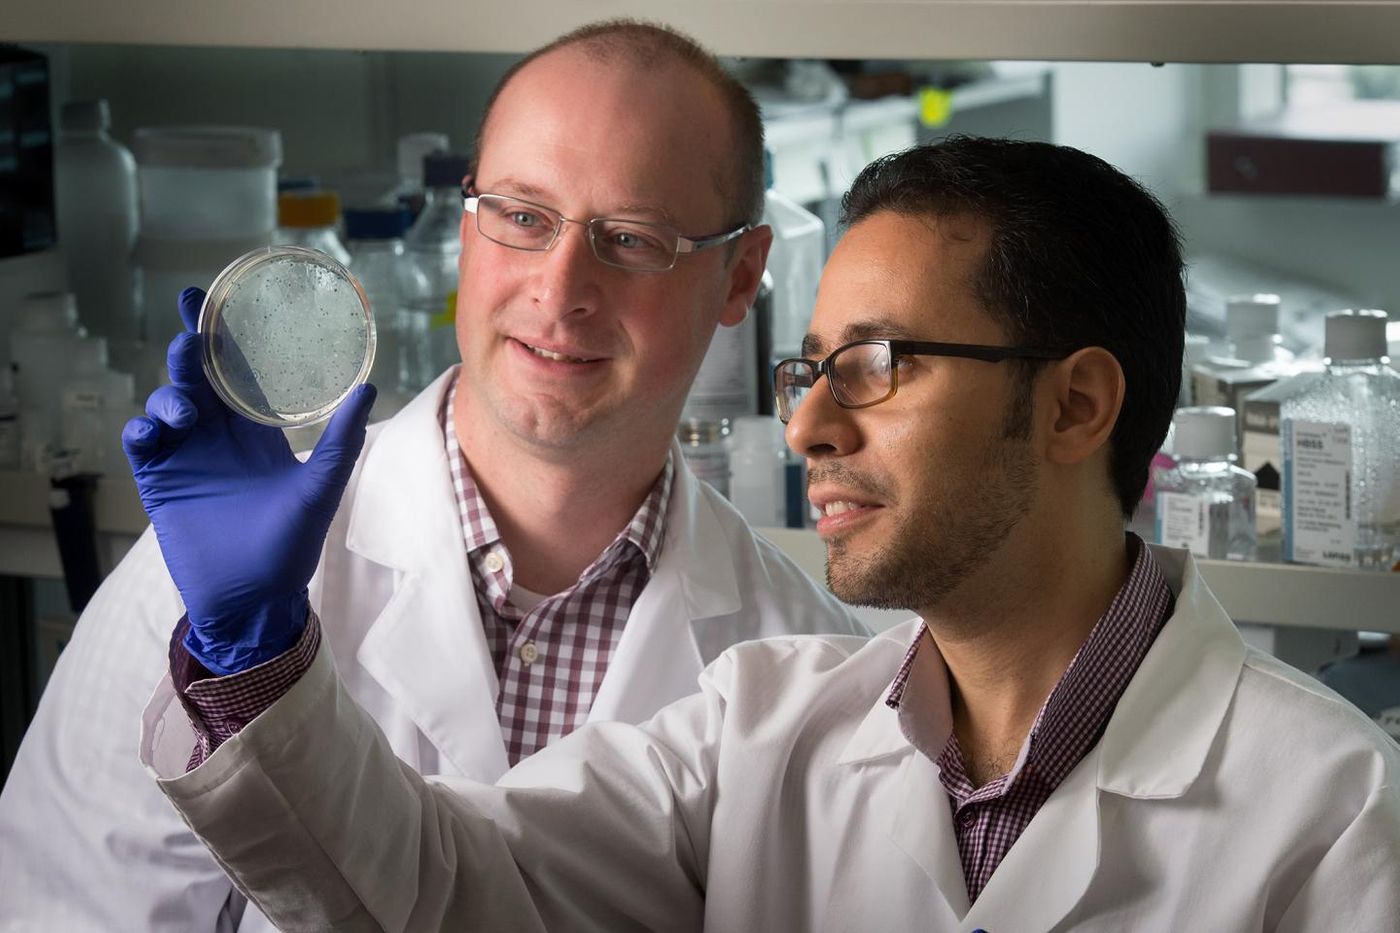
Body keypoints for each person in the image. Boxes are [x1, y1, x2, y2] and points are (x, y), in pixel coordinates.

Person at [148, 137, 1400, 930]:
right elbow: (432, 891)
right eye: (810, 365)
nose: (805, 426)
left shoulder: (1334, 818)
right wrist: (253, 650)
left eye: (871, 366)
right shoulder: (759, 736)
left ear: (1072, 405)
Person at [0, 20, 865, 932]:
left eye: (631, 237)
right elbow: (63, 910)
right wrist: (247, 659)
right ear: (465, 224)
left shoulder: (812, 667)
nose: (560, 286)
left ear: (741, 275)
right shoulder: (216, 592)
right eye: (523, 216)